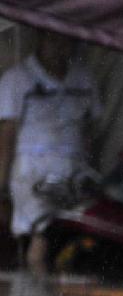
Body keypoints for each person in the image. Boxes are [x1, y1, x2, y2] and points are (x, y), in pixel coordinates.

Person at [0, 31, 101, 275]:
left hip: (74, 169)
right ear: (40, 40)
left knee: (74, 231)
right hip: (33, 171)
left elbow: (91, 125)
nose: (60, 48)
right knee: (42, 233)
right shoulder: (17, 79)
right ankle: (35, 294)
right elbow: (7, 134)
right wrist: (1, 182)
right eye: (54, 39)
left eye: (67, 41)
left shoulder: (83, 78)